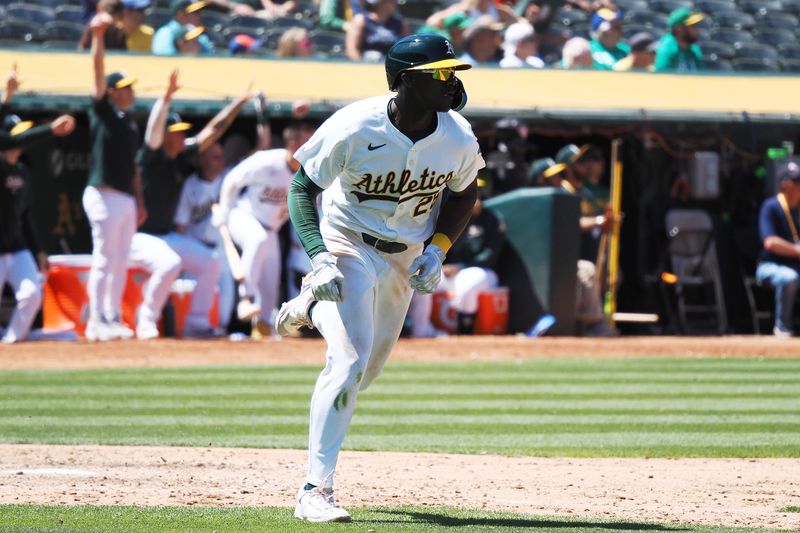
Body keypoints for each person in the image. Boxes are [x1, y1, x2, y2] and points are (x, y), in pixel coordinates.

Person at [275, 34, 483, 522]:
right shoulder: (354, 124)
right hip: (349, 243)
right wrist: (321, 256)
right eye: (441, 71)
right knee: (347, 362)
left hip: (405, 259)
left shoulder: (458, 136)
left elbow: (464, 193)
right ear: (407, 79)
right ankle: (314, 490)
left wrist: (440, 249)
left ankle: (310, 305)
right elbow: (303, 188)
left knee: (367, 373)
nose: (451, 80)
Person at [130, 70, 250, 339]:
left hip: (164, 236)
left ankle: (197, 322)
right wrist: (167, 98)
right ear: (165, 135)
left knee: (211, 262)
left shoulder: (181, 158)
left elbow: (213, 131)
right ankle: (146, 321)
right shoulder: (152, 157)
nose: (182, 136)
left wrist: (237, 104)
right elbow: (153, 131)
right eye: (176, 132)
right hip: (137, 236)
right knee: (169, 264)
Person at [213, 122, 316, 337]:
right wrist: (224, 211)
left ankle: (262, 329)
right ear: (294, 144)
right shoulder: (268, 161)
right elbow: (232, 179)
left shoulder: (311, 171)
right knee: (257, 239)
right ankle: (245, 299)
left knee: (270, 290)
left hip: (271, 229)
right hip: (243, 216)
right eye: (308, 141)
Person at [0, 67, 77, 344]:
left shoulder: (22, 171)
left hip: (17, 246)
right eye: (16, 137)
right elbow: (8, 139)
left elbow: (26, 215)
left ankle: (11, 342)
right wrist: (7, 98)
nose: (20, 142)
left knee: (31, 294)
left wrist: (38, 249)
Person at [83, 11, 143, 341]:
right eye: (123, 88)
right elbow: (97, 71)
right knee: (105, 258)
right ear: (112, 92)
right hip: (102, 193)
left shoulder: (128, 123)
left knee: (120, 261)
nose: (129, 92)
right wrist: (98, 36)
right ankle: (96, 320)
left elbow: (134, 167)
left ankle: (113, 317)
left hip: (124, 197)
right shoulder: (102, 110)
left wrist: (139, 200)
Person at [439, 178, 505, 334]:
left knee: (467, 282)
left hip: (483, 271)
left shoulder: (492, 219)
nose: (476, 197)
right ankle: (423, 332)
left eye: (478, 193)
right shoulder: (454, 217)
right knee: (427, 282)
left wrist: (460, 267)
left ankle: (464, 331)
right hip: (451, 270)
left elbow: (489, 257)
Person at [755, 159, 800, 337]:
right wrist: (797, 250)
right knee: (789, 277)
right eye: (797, 182)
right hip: (770, 266)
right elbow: (770, 242)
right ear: (785, 184)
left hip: (796, 265)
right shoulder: (771, 206)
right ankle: (782, 327)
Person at [654, 7, 704, 72]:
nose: (697, 30)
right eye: (692, 26)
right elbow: (661, 78)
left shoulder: (694, 49)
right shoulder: (667, 49)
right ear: (679, 29)